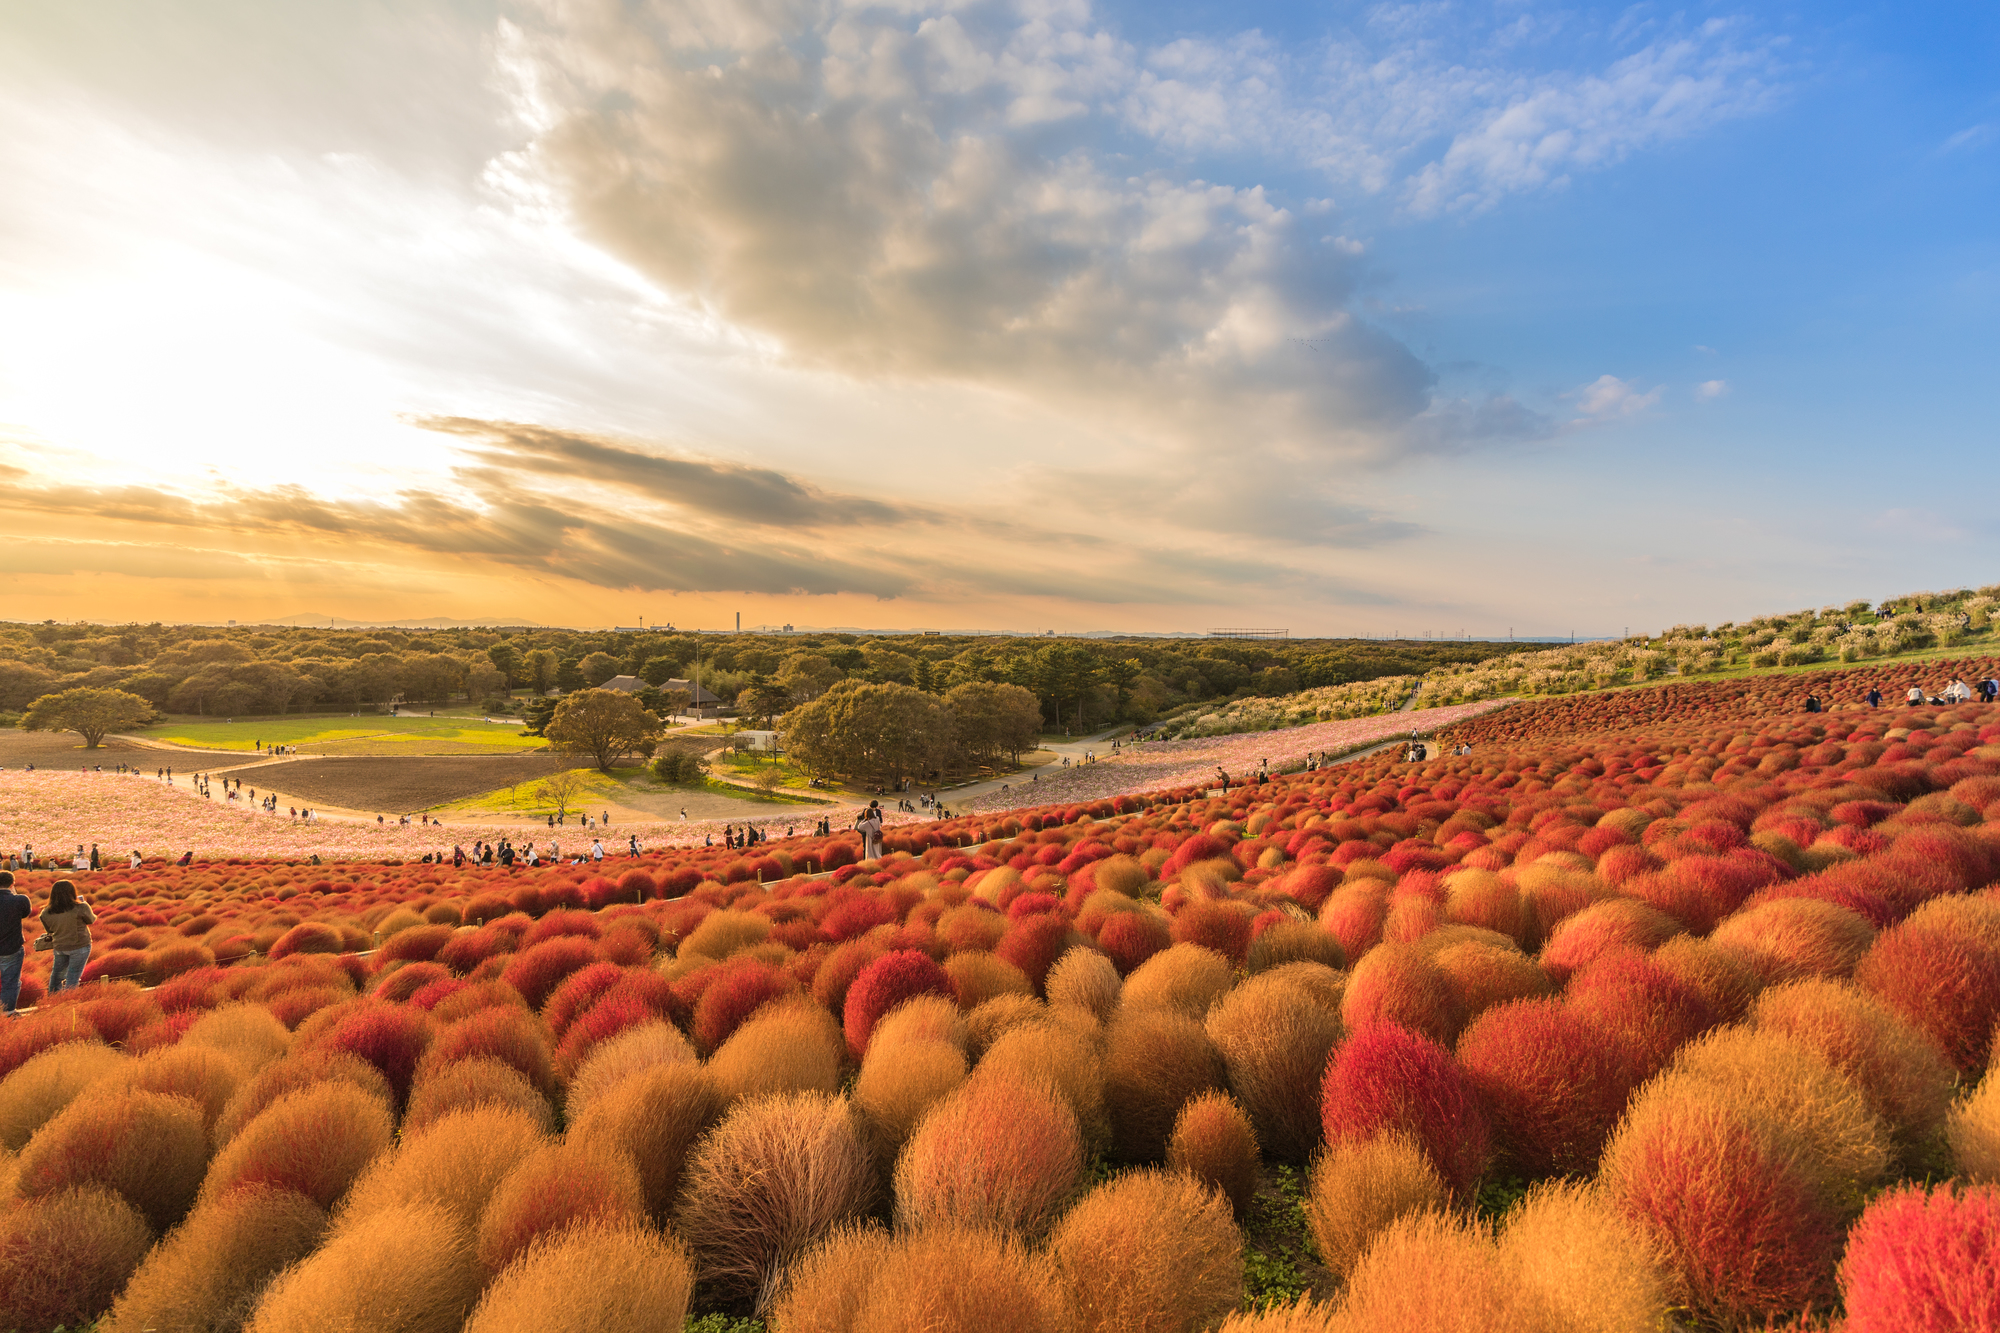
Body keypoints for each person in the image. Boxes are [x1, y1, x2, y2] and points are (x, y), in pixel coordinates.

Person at [40, 879, 93, 994]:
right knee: (73, 977)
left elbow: (49, 930)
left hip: (60, 947)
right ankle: (69, 1002)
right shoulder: (81, 907)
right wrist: (83, 903)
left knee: (56, 976)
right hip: (80, 946)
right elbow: (91, 920)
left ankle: (54, 1000)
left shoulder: (46, 912)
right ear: (72, 892)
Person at [0, 871, 30, 1017]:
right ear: (12, 884)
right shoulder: (20, 900)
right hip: (11, 949)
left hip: (10, 949)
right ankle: (8, 1014)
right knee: (10, 982)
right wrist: (14, 893)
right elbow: (25, 913)